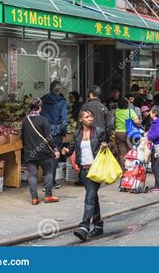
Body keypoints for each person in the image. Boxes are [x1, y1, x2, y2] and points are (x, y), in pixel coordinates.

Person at [61, 109, 107, 241]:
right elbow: (71, 150)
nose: (90, 119)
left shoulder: (99, 131)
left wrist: (105, 145)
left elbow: (110, 145)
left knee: (89, 198)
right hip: (83, 171)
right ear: (81, 119)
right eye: (87, 117)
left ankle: (84, 226)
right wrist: (65, 151)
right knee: (93, 198)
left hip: (95, 169)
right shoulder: (77, 134)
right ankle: (98, 226)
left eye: (91, 116)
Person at [21, 97, 60, 205]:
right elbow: (48, 137)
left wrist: (26, 151)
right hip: (43, 152)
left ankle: (34, 198)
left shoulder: (25, 120)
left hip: (30, 153)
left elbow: (23, 138)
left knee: (32, 175)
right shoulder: (43, 120)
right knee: (48, 171)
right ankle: (48, 195)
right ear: (39, 108)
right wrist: (55, 149)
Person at [40, 81, 67, 189]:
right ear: (59, 90)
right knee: (55, 157)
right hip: (56, 132)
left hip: (43, 131)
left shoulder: (42, 99)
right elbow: (63, 119)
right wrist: (63, 131)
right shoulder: (61, 102)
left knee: (45, 156)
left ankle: (47, 180)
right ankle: (50, 182)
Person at [113, 98, 141, 169]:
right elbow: (137, 122)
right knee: (131, 151)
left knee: (122, 154)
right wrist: (138, 125)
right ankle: (130, 169)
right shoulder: (130, 111)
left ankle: (123, 170)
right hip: (129, 133)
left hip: (118, 133)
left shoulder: (116, 111)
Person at [147, 106, 159, 193]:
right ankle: (158, 184)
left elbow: (157, 133)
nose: (149, 113)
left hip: (158, 146)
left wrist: (149, 136)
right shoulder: (157, 121)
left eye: (150, 111)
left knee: (156, 166)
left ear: (154, 113)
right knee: (156, 165)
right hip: (157, 146)